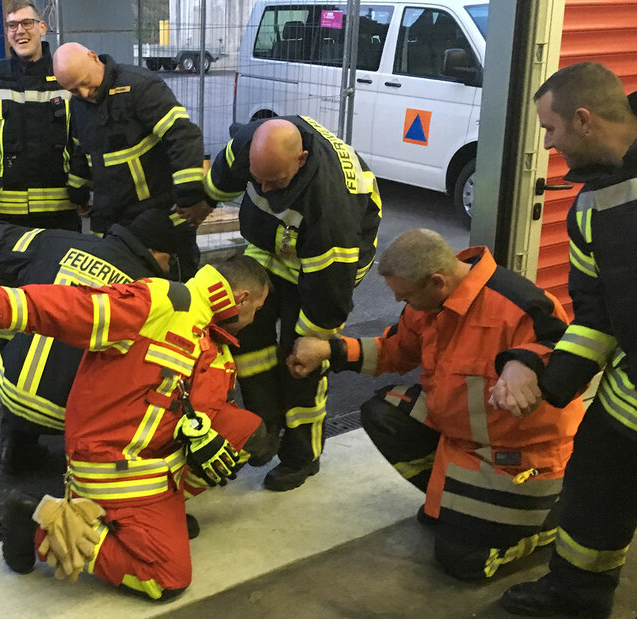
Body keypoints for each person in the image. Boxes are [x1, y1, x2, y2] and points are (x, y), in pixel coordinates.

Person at [0, 255, 268, 600]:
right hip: (112, 463)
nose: (253, 320)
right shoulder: (163, 302)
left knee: (249, 433)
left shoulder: (211, 339)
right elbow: (72, 307)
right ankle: (42, 529)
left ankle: (159, 514)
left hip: (148, 458)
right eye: (257, 309)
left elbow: (203, 408)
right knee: (166, 579)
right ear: (242, 299)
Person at [496, 62, 637, 618]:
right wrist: (546, 380)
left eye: (551, 130)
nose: (549, 144)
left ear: (582, 120)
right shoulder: (588, 208)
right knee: (593, 496)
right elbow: (596, 314)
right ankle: (572, 598)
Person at [286, 229, 586, 580]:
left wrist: (528, 362)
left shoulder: (520, 305)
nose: (403, 304)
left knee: (464, 560)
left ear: (437, 282)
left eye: (407, 297)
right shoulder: (430, 304)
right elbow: (394, 350)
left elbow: (570, 355)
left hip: (521, 457)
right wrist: (330, 350)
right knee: (385, 412)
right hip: (461, 442)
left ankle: (550, 520)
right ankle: (459, 503)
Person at [204, 116, 382, 491]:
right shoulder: (252, 145)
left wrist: (312, 341)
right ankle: (262, 429)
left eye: (275, 182)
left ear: (300, 160)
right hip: (270, 250)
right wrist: (198, 202)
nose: (265, 189)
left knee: (301, 360)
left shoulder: (330, 207)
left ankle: (302, 457)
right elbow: (219, 179)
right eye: (259, 180)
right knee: (246, 337)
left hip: (324, 271)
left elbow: (328, 295)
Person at [0, 208, 182, 475]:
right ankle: (93, 469)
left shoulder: (60, 241)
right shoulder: (148, 290)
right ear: (152, 252)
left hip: (9, 385)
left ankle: (15, 447)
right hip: (69, 413)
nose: (169, 267)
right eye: (168, 258)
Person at [53, 42, 212, 278]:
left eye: (85, 83)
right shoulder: (79, 105)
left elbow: (182, 135)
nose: (84, 94)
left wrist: (188, 194)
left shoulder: (139, 86)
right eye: (74, 90)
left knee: (174, 291)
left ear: (94, 57)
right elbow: (81, 150)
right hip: (111, 220)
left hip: (157, 215)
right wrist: (78, 191)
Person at [0, 1, 79, 233]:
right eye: (12, 25)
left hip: (62, 210)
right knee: (13, 271)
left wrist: (85, 186)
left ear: (42, 28)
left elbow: (83, 136)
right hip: (7, 213)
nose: (19, 31)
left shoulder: (65, 73)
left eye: (27, 23)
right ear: (6, 32)